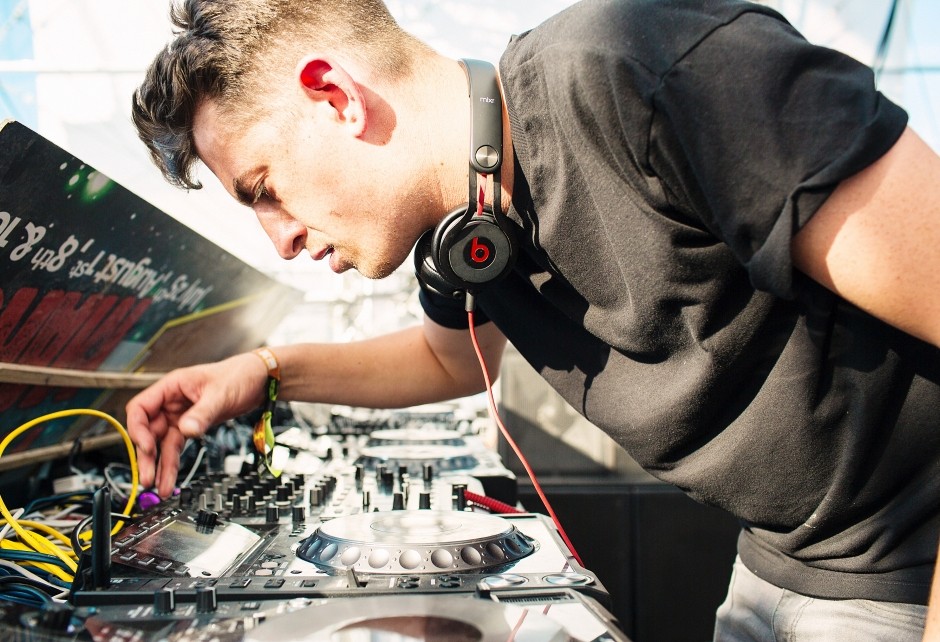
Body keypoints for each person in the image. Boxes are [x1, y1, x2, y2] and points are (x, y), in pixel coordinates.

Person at [126, 0, 940, 639]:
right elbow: (447, 361)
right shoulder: (461, 238)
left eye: (264, 189)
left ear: (335, 96)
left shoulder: (642, 68)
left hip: (907, 577)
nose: (281, 238)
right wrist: (264, 372)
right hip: (772, 568)